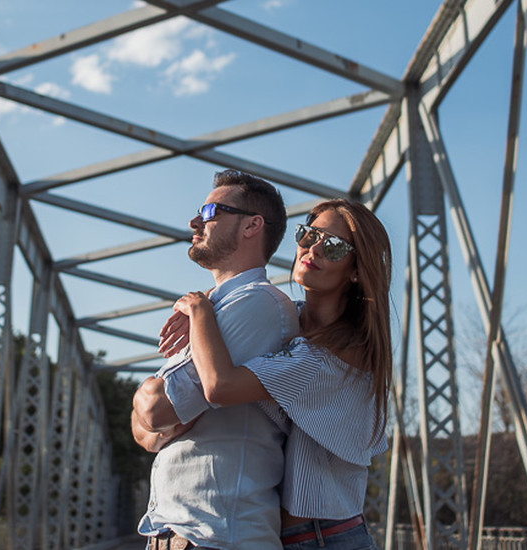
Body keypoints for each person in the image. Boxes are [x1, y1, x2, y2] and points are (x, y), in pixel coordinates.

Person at [167, 199, 393, 550]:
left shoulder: (335, 357)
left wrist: (199, 307)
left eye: (332, 246)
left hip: (326, 539)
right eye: (309, 235)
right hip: (280, 537)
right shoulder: (287, 322)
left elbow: (219, 386)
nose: (312, 249)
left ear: (356, 271)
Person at [131, 170, 299, 550]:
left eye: (210, 211)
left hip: (219, 537)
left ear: (252, 226)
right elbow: (144, 431)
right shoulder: (211, 309)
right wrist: (161, 415)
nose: (194, 221)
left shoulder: (258, 303)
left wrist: (153, 405)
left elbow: (155, 411)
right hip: (178, 535)